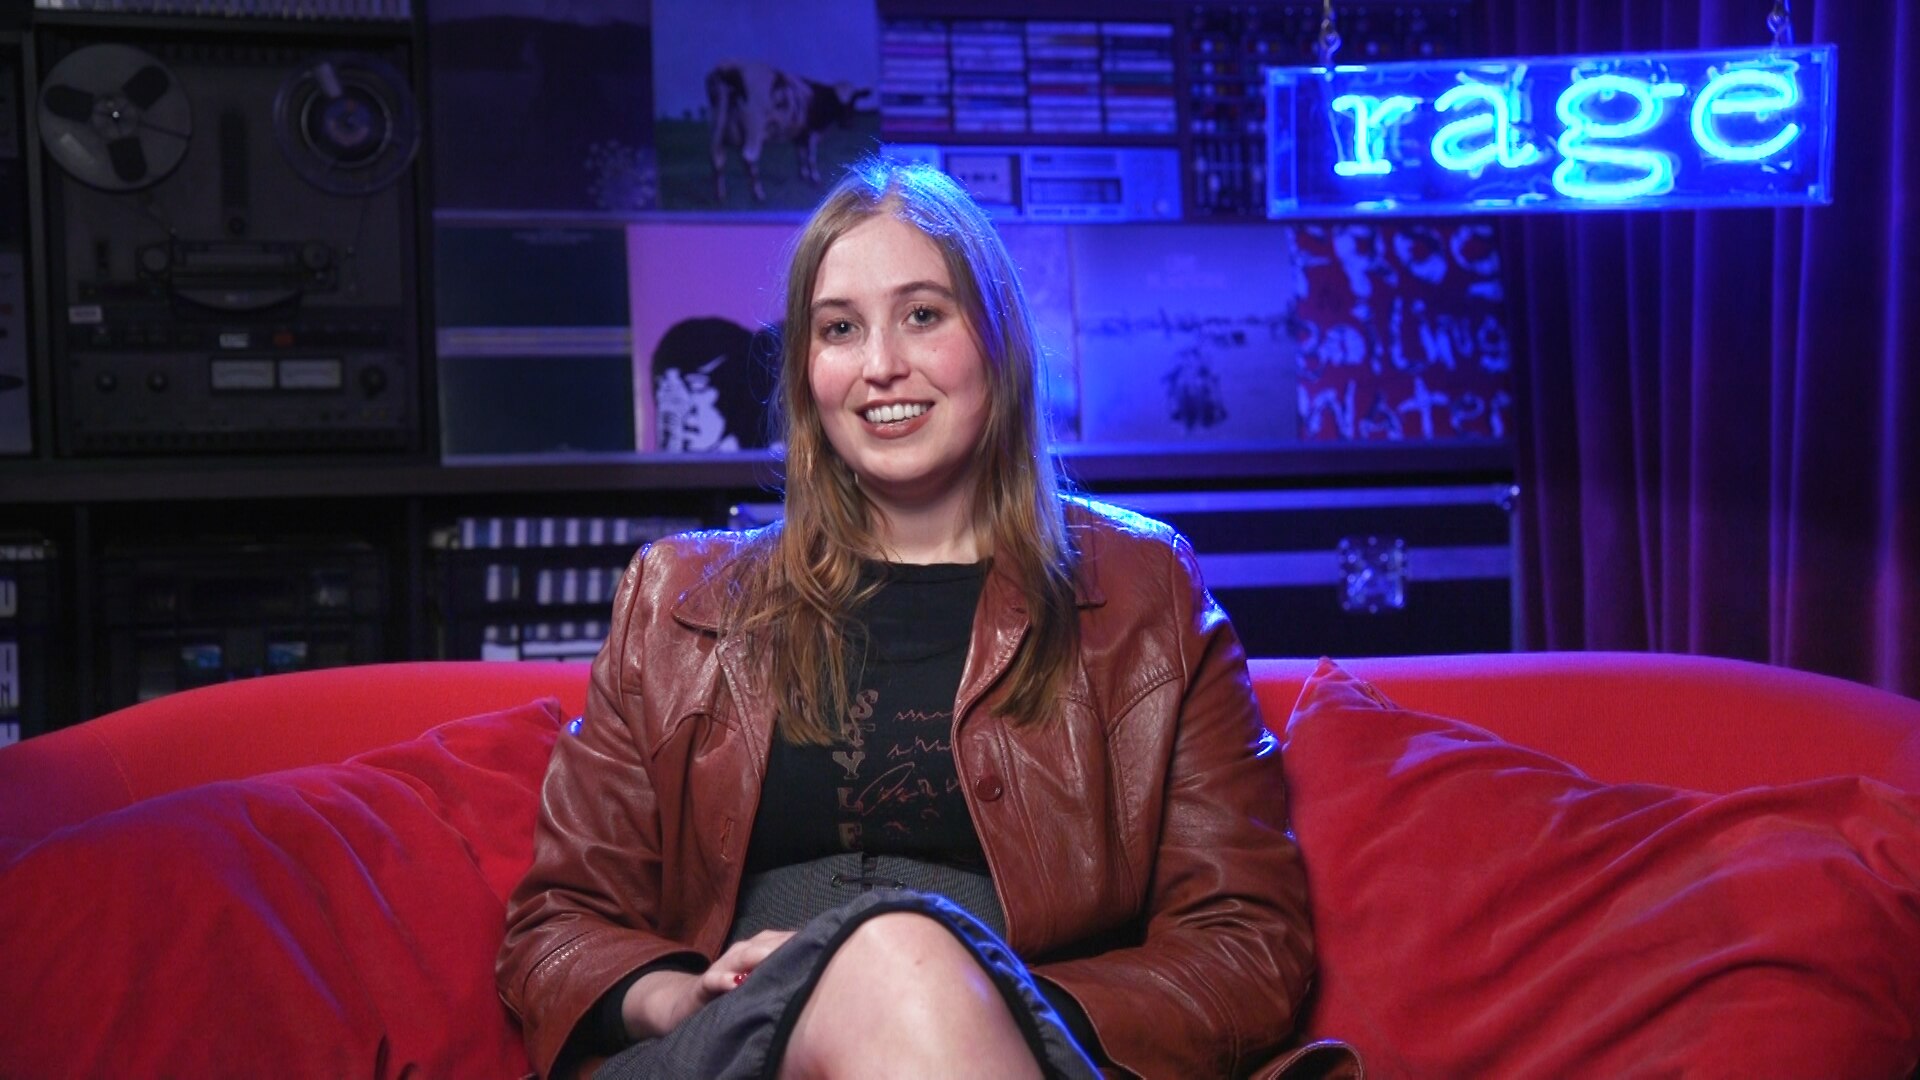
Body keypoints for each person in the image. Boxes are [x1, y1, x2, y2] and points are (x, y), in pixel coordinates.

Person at [496, 158, 1317, 1080]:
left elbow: (1249, 945)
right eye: (839, 328)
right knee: (891, 959)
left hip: (1037, 1043)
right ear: (807, 373)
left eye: (923, 314)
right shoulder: (676, 601)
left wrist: (985, 1002)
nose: (881, 364)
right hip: (725, 1051)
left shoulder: (1144, 592)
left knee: (899, 959)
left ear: (997, 339)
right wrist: (676, 995)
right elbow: (553, 929)